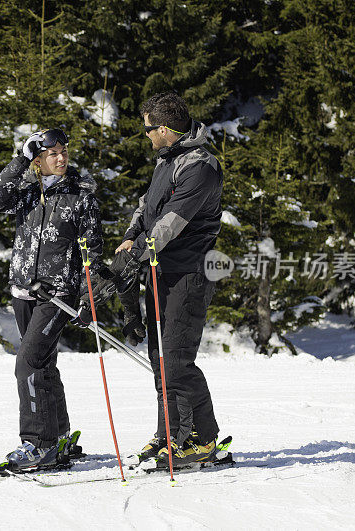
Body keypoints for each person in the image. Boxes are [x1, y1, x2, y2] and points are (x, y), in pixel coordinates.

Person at [112, 92, 224, 466]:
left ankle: (203, 439)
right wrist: (130, 236)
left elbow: (171, 223)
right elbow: (147, 206)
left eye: (147, 129)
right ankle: (169, 432)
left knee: (177, 360)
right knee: (160, 359)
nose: (145, 135)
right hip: (160, 271)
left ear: (163, 129)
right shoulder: (169, 160)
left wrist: (139, 251)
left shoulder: (200, 166)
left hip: (189, 272)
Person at [0, 128, 104, 471]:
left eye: (64, 151)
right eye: (53, 154)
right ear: (38, 160)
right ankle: (59, 435)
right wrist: (19, 159)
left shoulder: (80, 197)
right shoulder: (24, 191)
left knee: (28, 363)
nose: (62, 158)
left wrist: (87, 297)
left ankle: (38, 444)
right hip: (24, 291)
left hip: (58, 294)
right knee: (43, 364)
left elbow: (92, 252)